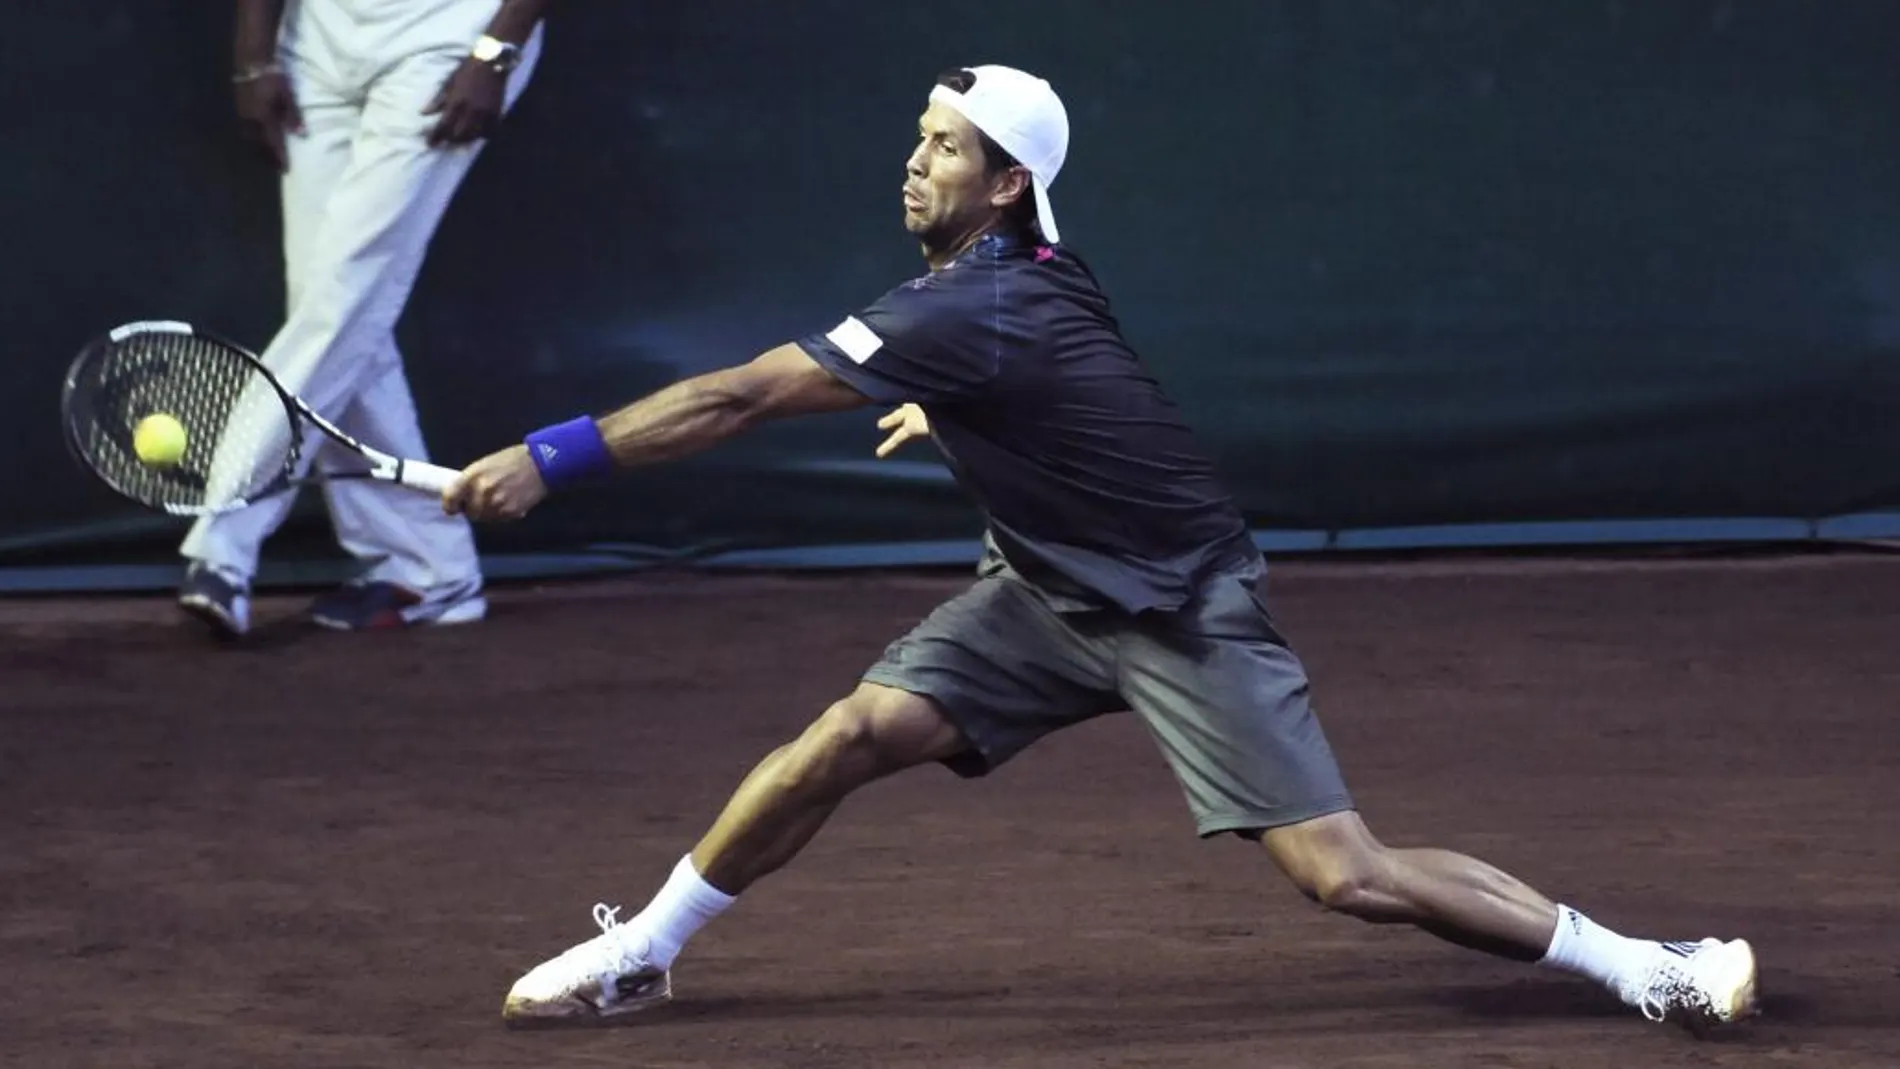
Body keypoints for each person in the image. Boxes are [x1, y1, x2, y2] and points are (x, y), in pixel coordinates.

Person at [442, 65, 1760, 1036]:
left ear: (1005, 183)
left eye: (946, 150)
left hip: (1182, 607)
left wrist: (547, 456)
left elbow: (731, 398)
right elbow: (1036, 393)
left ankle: (1648, 962)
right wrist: (951, 409)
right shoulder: (1003, 289)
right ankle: (648, 950)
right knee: (849, 734)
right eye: (917, 139)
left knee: (1346, 876)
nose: (915, 164)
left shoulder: (984, 304)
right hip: (1041, 590)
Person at [177, 0, 550, 638]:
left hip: (449, 41)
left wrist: (496, 51)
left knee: (345, 296)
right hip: (314, 46)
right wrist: (253, 59)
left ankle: (222, 542)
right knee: (340, 314)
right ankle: (428, 567)